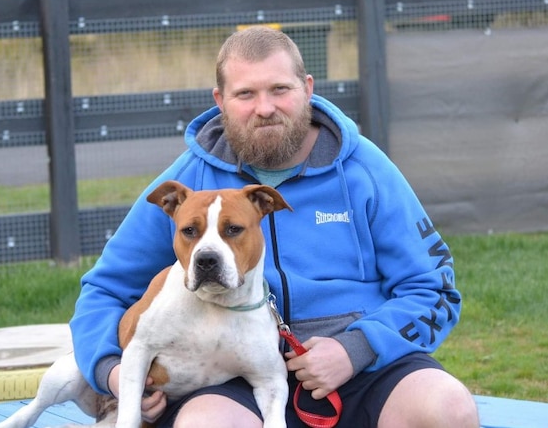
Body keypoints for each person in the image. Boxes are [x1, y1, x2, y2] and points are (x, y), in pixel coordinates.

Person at [69, 25, 480, 428]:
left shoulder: (365, 170)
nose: (264, 108)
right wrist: (112, 372)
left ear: (307, 88)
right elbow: (105, 289)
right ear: (220, 100)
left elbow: (434, 290)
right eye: (245, 94)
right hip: (229, 377)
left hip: (363, 367)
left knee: (447, 409)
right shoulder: (189, 185)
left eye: (279, 89)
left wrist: (357, 347)